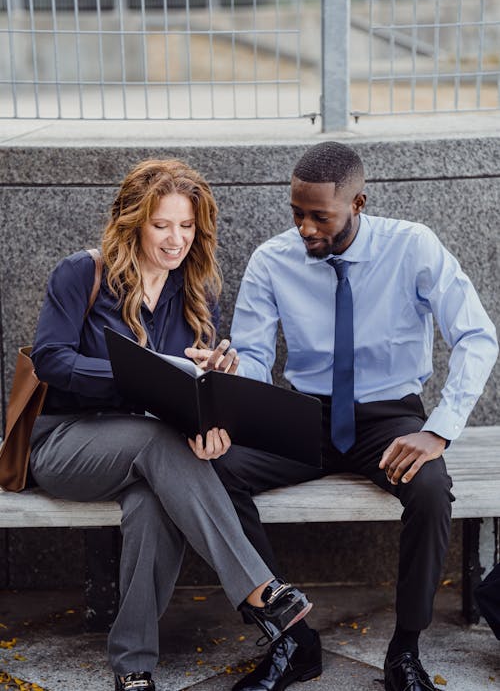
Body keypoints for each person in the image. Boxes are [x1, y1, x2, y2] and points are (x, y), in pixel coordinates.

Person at [186, 141, 498, 691]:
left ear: (358, 203)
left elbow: (477, 336)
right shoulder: (271, 260)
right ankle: (291, 640)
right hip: (303, 415)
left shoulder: (413, 247)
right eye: (297, 214)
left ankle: (405, 651)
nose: (305, 228)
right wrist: (230, 371)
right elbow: (257, 360)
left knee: (429, 488)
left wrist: (438, 431)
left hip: (388, 417)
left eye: (319, 217)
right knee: (211, 470)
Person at [28, 158, 313, 691]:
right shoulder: (81, 274)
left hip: (154, 453)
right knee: (158, 441)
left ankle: (132, 666)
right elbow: (51, 359)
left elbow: (191, 391)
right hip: (67, 444)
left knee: (153, 504)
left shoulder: (197, 292)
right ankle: (260, 590)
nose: (175, 239)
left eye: (186, 226)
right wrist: (137, 377)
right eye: (162, 225)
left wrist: (213, 410)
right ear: (133, 222)